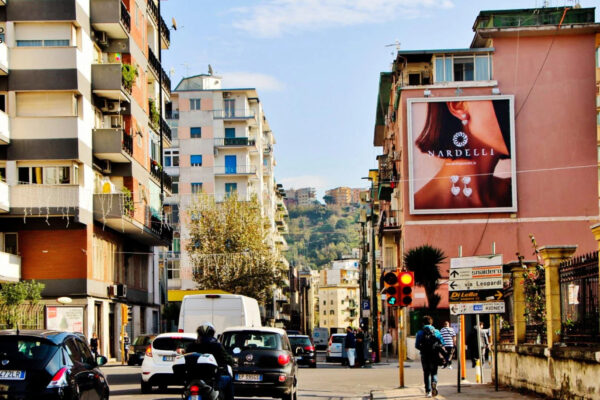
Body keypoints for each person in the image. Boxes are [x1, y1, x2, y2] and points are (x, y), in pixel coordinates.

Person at [412, 99, 512, 210]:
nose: (516, 112)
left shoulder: (522, 190)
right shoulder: (418, 207)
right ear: (459, 106)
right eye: (503, 102)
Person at [186, 322, 234, 400]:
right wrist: (232, 361)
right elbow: (227, 359)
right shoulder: (216, 345)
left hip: (192, 380)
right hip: (212, 380)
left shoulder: (191, 346)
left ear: (198, 333)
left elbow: (185, 357)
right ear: (212, 333)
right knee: (228, 380)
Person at [415, 316, 444, 398]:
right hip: (434, 354)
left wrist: (423, 349)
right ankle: (434, 383)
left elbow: (417, 345)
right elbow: (442, 343)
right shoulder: (437, 332)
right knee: (434, 371)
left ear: (423, 323)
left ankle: (428, 391)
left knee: (426, 373)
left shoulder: (420, 333)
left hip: (424, 355)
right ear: (431, 323)